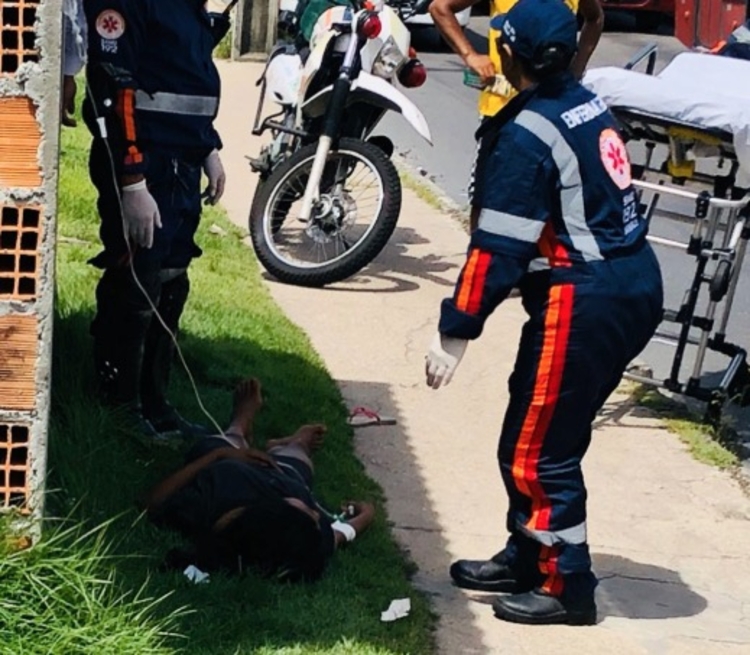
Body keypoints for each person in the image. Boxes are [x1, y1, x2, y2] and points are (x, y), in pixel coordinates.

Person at [424, 0, 663, 625]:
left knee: (538, 451)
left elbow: (497, 249)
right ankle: (527, 554)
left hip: (586, 297)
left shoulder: (526, 133)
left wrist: (455, 329)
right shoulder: (581, 101)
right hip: (624, 284)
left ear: (511, 56)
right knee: (536, 427)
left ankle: (566, 586)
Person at [82, 1, 232, 439]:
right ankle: (119, 404)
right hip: (143, 163)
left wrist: (208, 149)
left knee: (171, 277)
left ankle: (155, 402)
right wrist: (131, 179)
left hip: (180, 162)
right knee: (135, 281)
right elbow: (113, 85)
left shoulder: (188, 6)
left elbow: (182, 78)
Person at [142, 378, 376, 581]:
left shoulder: (206, 503)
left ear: (273, 511)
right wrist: (366, 515)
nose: (317, 513)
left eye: (309, 515)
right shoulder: (305, 542)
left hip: (227, 466)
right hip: (285, 477)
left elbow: (151, 502)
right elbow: (337, 536)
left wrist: (221, 455)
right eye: (316, 517)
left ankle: (240, 424)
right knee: (298, 459)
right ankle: (294, 443)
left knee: (223, 441)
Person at [429, 0, 604, 232]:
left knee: (552, 205)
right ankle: (481, 259)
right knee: (484, 203)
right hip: (501, 113)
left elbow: (595, 18)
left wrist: (577, 68)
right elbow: (440, 8)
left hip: (553, 113)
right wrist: (470, 55)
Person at [62, 0, 87, 128]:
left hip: (75, 24)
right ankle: (64, 109)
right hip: (71, 21)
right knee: (67, 76)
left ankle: (64, 109)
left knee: (68, 75)